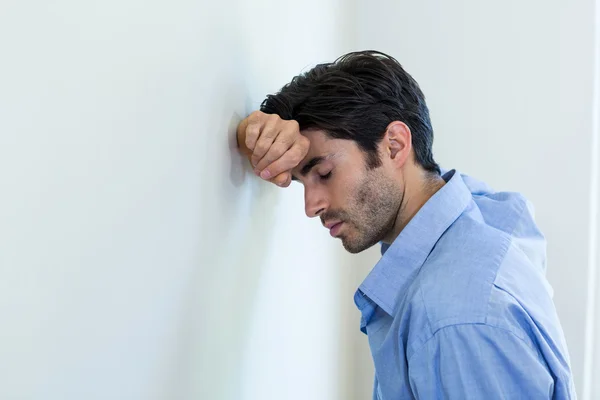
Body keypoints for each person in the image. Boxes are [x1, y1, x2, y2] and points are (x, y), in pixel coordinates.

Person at [236, 50, 576, 399]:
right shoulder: (483, 225)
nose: (312, 206)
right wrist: (253, 132)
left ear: (395, 146)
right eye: (300, 182)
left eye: (324, 173)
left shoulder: (451, 321)